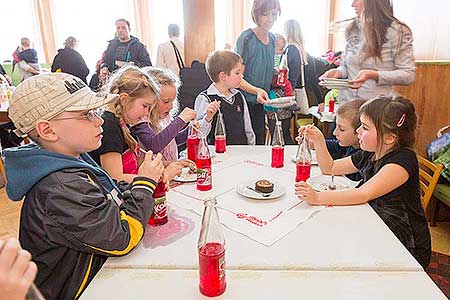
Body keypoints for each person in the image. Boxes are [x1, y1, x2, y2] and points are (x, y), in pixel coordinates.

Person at [4, 72, 164, 300]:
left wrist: (137, 185)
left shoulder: (74, 158)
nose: (99, 120)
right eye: (87, 114)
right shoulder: (59, 188)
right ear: (48, 130)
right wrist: (145, 184)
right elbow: (123, 237)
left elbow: (109, 195)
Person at [295, 96, 431, 268]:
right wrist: (319, 141)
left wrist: (318, 197)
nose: (358, 131)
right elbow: (329, 168)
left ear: (389, 138)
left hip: (404, 243)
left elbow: (363, 193)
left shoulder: (402, 161)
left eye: (365, 127)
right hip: (378, 225)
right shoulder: (370, 152)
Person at [320, 0, 415, 103]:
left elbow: (408, 75)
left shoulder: (397, 31)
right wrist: (338, 72)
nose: (352, 4)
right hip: (347, 106)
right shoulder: (353, 28)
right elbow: (346, 66)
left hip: (374, 109)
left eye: (356, 0)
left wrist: (374, 75)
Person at [89, 66, 160, 183]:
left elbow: (135, 163)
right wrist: (150, 179)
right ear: (124, 99)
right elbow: (115, 177)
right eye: (145, 106)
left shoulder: (125, 122)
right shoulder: (109, 126)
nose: (146, 113)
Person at [235, 0, 280, 145]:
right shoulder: (246, 38)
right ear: (256, 14)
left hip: (261, 102)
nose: (270, 19)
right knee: (247, 143)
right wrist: (257, 90)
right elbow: (237, 78)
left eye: (274, 14)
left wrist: (275, 71)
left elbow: (262, 65)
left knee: (260, 140)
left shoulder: (273, 38)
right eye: (265, 14)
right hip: (244, 101)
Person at [131, 67, 197, 165]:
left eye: (173, 101)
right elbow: (154, 145)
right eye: (166, 101)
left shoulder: (165, 117)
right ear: (151, 99)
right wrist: (180, 120)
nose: (170, 106)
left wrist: (190, 131)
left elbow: (172, 140)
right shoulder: (141, 120)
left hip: (171, 171)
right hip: (153, 175)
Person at [194, 50, 255, 146]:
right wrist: (207, 118)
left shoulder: (238, 96)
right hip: (218, 155)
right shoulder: (205, 98)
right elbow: (199, 134)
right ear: (223, 76)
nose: (242, 76)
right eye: (237, 73)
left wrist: (251, 147)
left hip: (242, 153)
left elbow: (247, 128)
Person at [302, 99, 365, 181]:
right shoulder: (351, 145)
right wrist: (313, 143)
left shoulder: (364, 154)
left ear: (360, 131)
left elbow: (328, 169)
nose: (335, 133)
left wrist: (319, 140)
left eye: (342, 129)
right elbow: (336, 146)